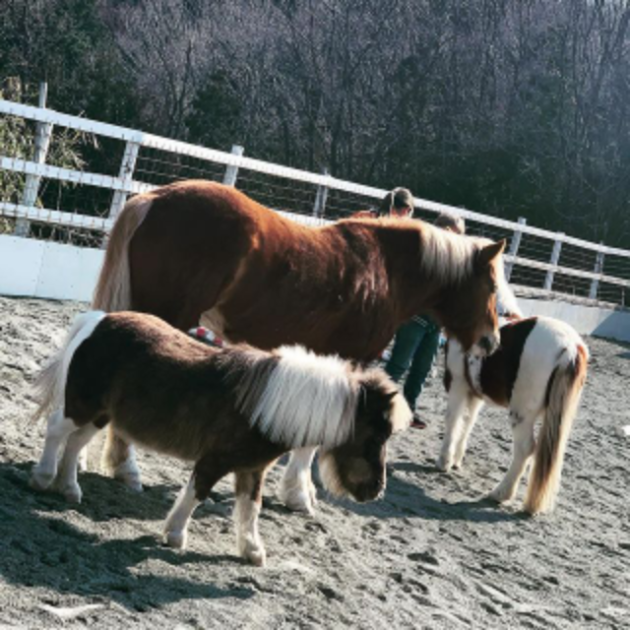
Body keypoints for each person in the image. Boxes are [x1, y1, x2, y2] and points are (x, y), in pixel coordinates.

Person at [384, 212, 466, 429]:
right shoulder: (425, 249)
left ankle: (409, 408)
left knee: (422, 368)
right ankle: (380, 403)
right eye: (455, 233)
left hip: (435, 324)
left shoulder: (452, 257)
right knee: (400, 363)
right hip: (415, 318)